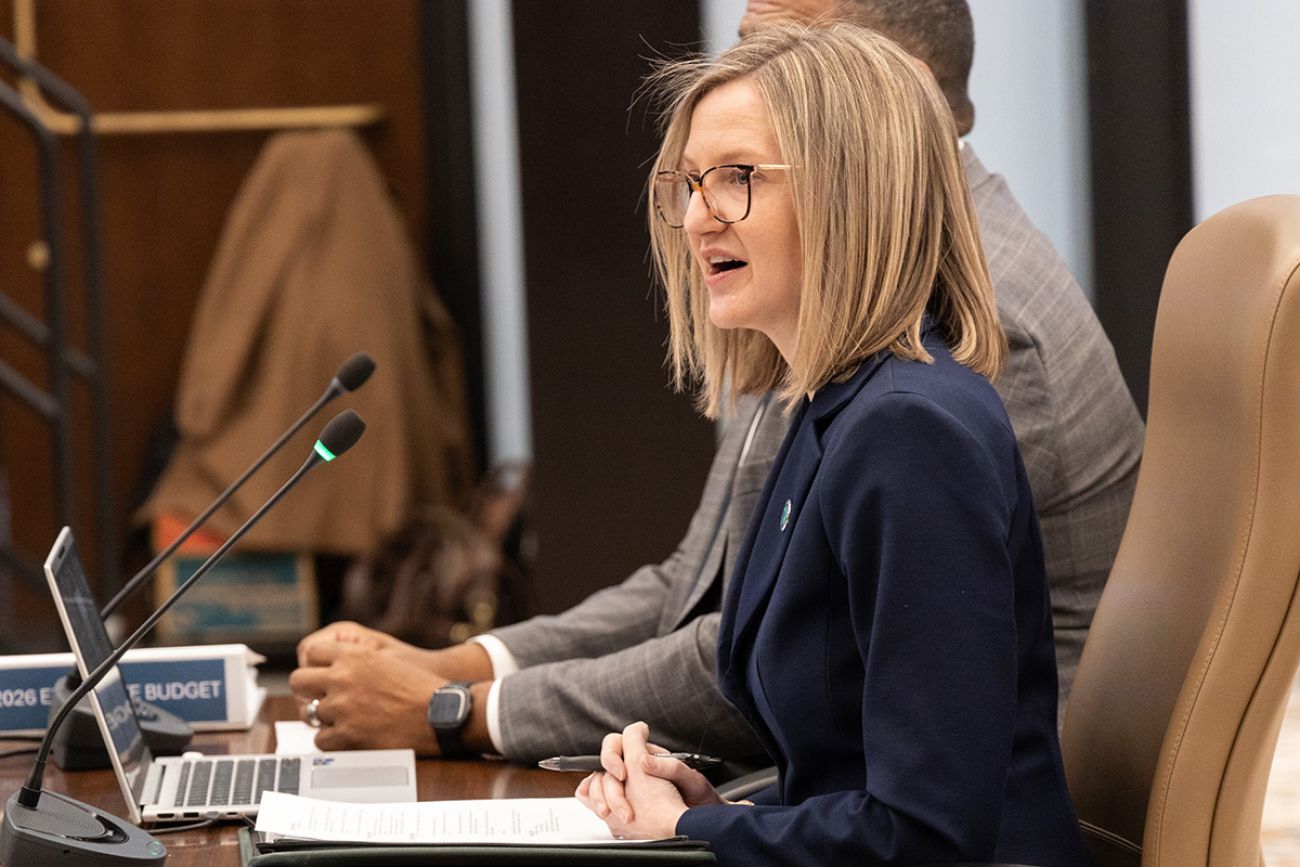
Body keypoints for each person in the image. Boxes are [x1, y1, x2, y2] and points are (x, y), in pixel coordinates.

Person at [288, 0, 1142, 765]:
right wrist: (460, 666)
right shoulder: (816, 290)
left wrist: (459, 713)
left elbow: (783, 669)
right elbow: (701, 587)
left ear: (887, 100)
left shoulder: (956, 331)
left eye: (790, 62)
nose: (700, 215)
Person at [575, 23, 1090, 866]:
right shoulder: (831, 408)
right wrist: (714, 810)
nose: (699, 216)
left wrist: (693, 830)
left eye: (737, 178)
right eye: (689, 183)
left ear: (852, 193)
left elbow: (927, 834)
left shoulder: (910, 432)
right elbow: (858, 773)